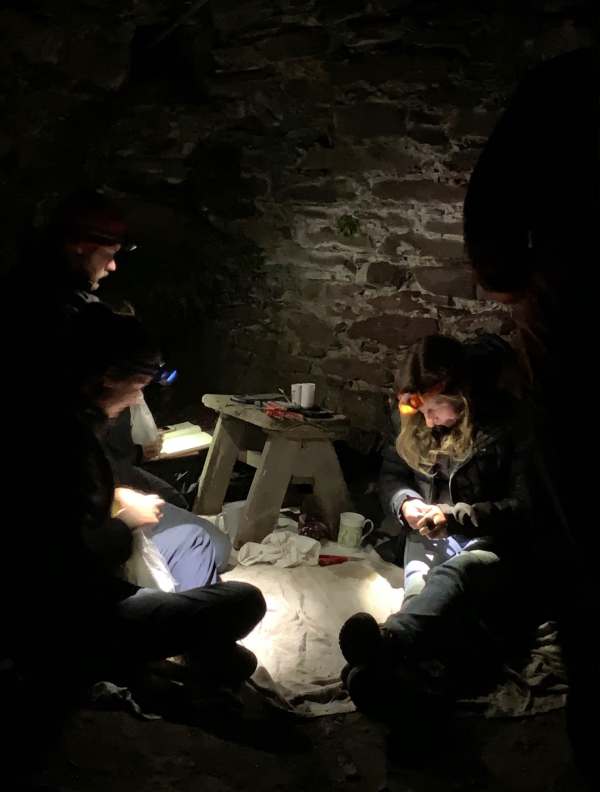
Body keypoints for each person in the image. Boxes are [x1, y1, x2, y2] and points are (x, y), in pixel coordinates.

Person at [2, 304, 266, 788]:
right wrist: (124, 519)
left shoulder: (78, 428)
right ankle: (171, 672)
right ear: (106, 378)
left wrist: (117, 498)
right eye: (138, 386)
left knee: (191, 540)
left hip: (96, 586)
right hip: (75, 617)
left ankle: (188, 664)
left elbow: (80, 507)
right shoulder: (55, 439)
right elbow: (66, 562)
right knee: (245, 601)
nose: (138, 397)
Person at [463, 46, 598, 781]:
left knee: (583, 556)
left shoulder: (567, 85)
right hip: (575, 344)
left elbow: (493, 219)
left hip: (579, 354)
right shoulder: (566, 86)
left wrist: (523, 286)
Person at [339, 334, 541, 733]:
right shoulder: (413, 416)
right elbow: (392, 475)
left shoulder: (506, 426)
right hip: (428, 536)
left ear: (463, 397)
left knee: (454, 576)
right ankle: (402, 684)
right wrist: (405, 502)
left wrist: (457, 517)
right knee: (420, 594)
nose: (428, 421)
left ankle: (389, 640)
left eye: (436, 409)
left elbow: (526, 506)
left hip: (490, 543)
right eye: (421, 410)